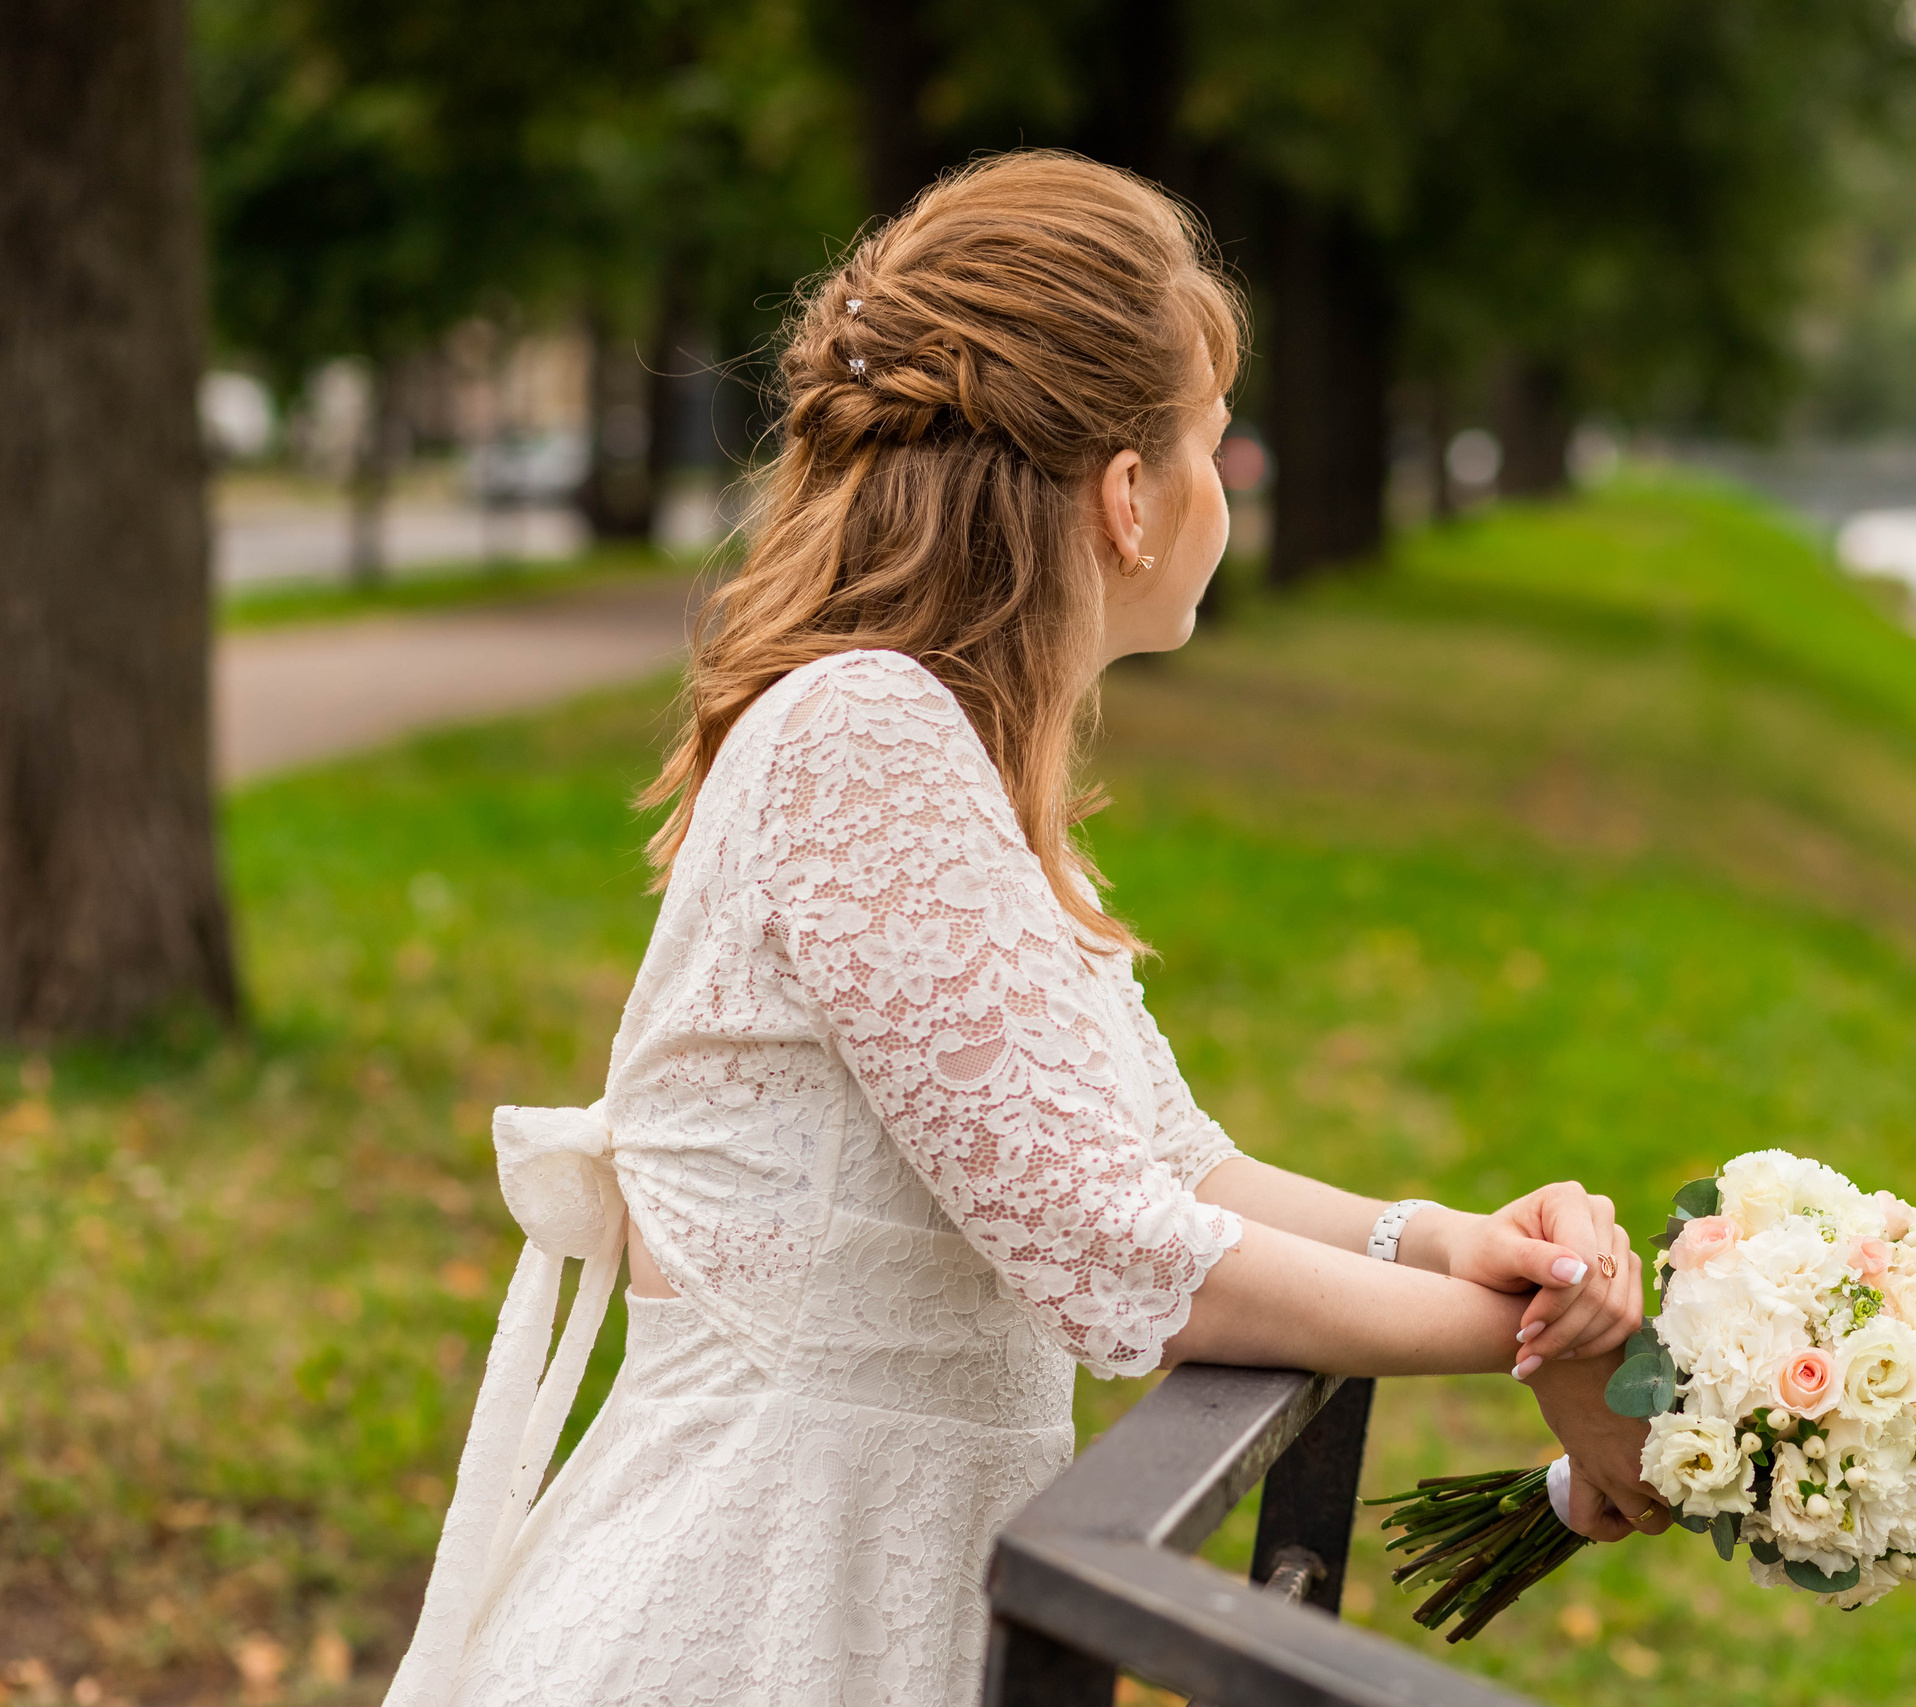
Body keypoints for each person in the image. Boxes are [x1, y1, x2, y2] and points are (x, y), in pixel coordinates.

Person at [385, 151, 1667, 1707]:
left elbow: (1167, 1164)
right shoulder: (866, 736)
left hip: (886, 1577)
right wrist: (1548, 1355)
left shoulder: (948, 759)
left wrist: (1455, 1245)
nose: (1227, 484)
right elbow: (1109, 1249)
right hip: (770, 1603)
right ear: (1131, 499)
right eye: (1216, 443)